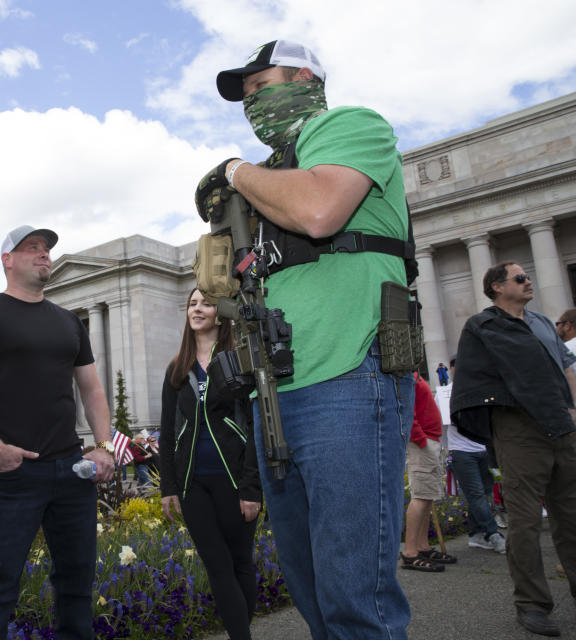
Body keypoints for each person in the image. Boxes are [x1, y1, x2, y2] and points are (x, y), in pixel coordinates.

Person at [198, 40, 416, 637]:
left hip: (351, 374)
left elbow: (321, 212)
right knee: (311, 584)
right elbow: (217, 287)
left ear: (304, 76)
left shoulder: (352, 124)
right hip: (278, 389)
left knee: (354, 595)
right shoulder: (268, 182)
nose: (252, 102)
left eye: (261, 86)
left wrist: (234, 172)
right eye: (245, 97)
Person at [0, 225, 115, 639]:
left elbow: (92, 390)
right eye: (32, 248)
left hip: (72, 473)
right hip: (11, 475)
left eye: (47, 249)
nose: (44, 255)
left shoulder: (68, 323)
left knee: (76, 585)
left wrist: (105, 447)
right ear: (8, 260)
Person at [451, 262, 576, 637]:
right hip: (519, 428)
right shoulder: (482, 326)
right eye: (520, 278)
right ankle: (532, 604)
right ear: (496, 287)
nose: (528, 282)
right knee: (524, 521)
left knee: (571, 516)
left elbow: (564, 367)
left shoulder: (540, 323)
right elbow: (473, 381)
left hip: (562, 426)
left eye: (527, 277)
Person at [159, 288, 262, 640]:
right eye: (192, 303)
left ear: (222, 312)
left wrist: (252, 487)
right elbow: (167, 430)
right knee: (217, 567)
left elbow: (256, 425)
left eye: (205, 303)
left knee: (240, 563)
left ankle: (241, 630)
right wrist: (168, 487)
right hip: (193, 484)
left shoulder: (240, 358)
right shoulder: (177, 368)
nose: (197, 309)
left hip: (234, 482)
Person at [442, 357, 506, 553]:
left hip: (483, 448)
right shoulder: (446, 393)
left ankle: (475, 534)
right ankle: (492, 533)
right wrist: (450, 449)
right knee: (477, 494)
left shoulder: (481, 387)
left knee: (484, 494)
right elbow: (442, 425)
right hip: (462, 451)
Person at [400, 373, 457, 572]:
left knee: (427, 496)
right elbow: (406, 408)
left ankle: (422, 546)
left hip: (429, 438)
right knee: (421, 496)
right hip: (422, 441)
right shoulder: (406, 375)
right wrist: (420, 438)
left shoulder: (413, 374)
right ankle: (410, 552)